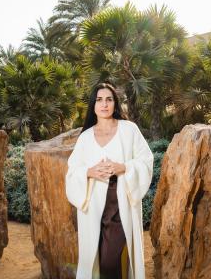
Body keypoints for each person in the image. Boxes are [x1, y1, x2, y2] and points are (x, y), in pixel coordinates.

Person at [66, 83, 153, 279]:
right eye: (99, 100)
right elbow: (72, 172)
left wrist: (124, 167)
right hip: (93, 207)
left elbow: (146, 160)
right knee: (95, 258)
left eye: (109, 99)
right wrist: (89, 172)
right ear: (93, 105)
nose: (104, 104)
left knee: (109, 260)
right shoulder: (85, 138)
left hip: (121, 205)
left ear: (115, 103)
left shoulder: (129, 129)